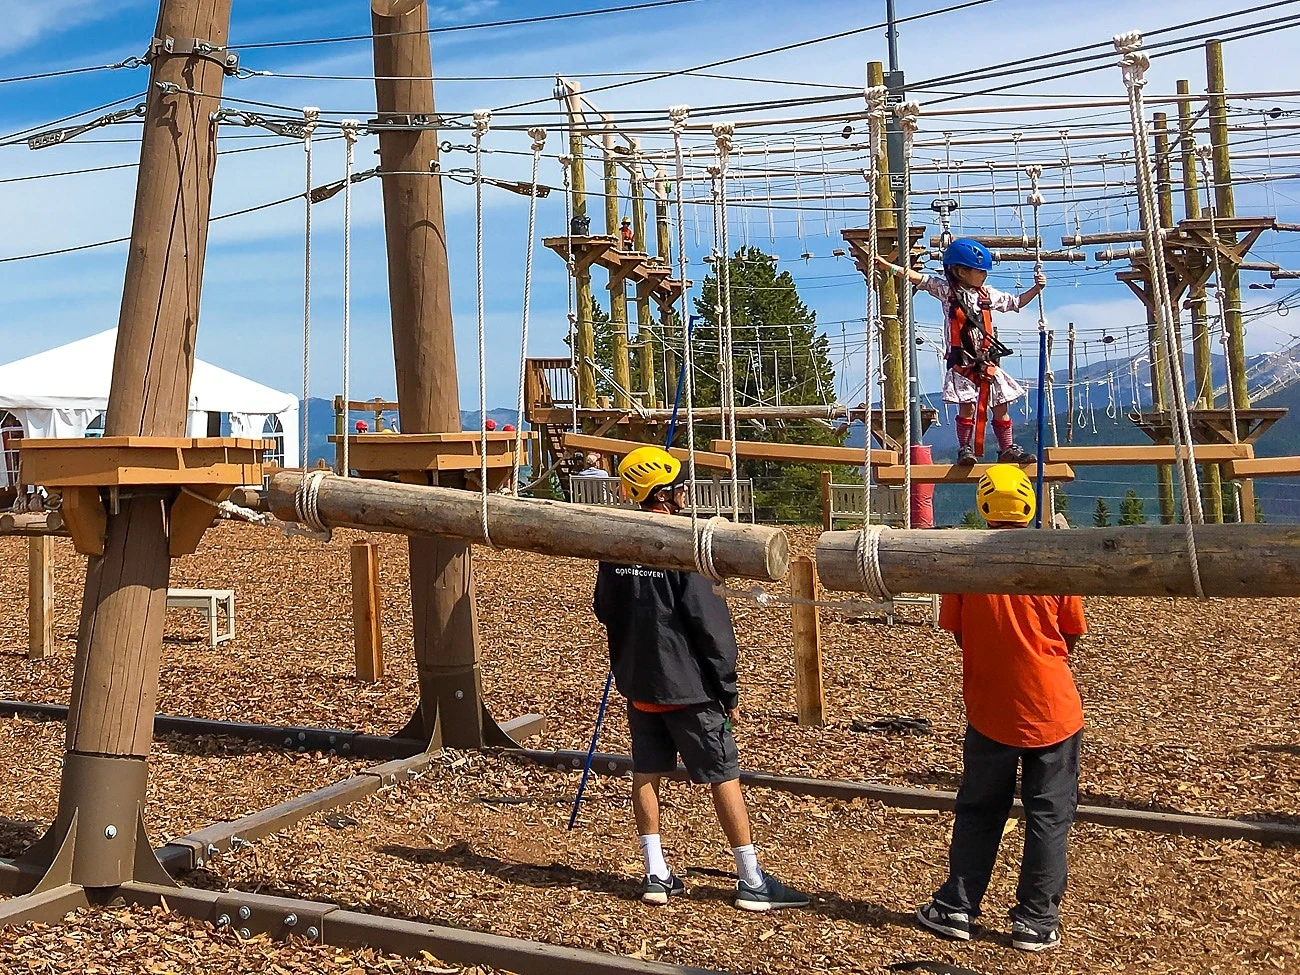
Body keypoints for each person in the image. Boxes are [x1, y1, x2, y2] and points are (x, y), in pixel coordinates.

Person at [593, 445, 810, 912]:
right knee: (722, 775)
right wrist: (727, 687)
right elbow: (709, 625)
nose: (687, 492)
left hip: (641, 685)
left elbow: (605, 610)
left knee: (646, 773)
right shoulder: (684, 547)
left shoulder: (616, 546)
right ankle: (751, 878)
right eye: (680, 486)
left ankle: (656, 873)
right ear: (666, 493)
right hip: (689, 688)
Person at [915, 464, 1086, 953]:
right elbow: (1071, 631)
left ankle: (957, 906)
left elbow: (959, 630)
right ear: (1029, 504)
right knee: (1050, 814)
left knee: (979, 808)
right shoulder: (1052, 560)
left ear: (985, 506)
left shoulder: (965, 563)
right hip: (1052, 710)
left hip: (990, 709)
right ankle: (1036, 918)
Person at [877, 239, 1044, 465]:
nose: (983, 275)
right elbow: (920, 279)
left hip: (986, 362)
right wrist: (890, 267)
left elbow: (1015, 302)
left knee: (1001, 406)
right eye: (979, 271)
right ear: (960, 271)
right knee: (968, 407)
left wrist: (1036, 289)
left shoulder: (987, 295)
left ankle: (1007, 448)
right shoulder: (948, 291)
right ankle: (965, 448)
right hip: (963, 362)